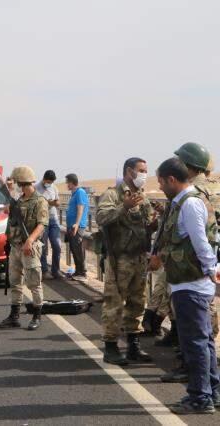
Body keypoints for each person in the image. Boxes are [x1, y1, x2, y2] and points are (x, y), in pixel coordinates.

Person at [152, 157, 219, 415]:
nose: (159, 186)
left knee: (195, 344)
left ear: (172, 179)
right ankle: (213, 391)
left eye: (160, 181)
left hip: (192, 284)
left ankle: (200, 398)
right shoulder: (183, 203)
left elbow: (202, 244)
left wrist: (207, 272)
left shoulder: (189, 205)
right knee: (203, 342)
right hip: (190, 282)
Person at [96, 157, 156, 365]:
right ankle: (110, 347)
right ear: (129, 171)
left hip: (138, 258)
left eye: (146, 171)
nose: (144, 175)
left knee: (138, 302)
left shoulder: (143, 197)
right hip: (118, 260)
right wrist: (124, 206)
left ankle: (134, 345)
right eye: (141, 170)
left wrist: (155, 222)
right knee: (114, 303)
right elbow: (101, 219)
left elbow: (146, 224)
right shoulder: (112, 195)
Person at [175, 143, 220, 339]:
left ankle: (202, 354)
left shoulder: (193, 191)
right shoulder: (215, 187)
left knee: (199, 306)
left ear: (189, 165)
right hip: (212, 251)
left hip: (200, 256)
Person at [0, 166, 48, 331]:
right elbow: (6, 210)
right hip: (16, 246)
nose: (16, 185)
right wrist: (9, 191)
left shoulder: (39, 201)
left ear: (22, 182)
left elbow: (42, 224)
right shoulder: (19, 200)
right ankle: (14, 316)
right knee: (15, 282)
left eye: (17, 182)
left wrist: (30, 241)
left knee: (34, 282)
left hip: (29, 247)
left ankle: (37, 316)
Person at [35, 170, 61, 280]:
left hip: (54, 219)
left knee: (57, 245)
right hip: (43, 220)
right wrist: (47, 202)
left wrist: (55, 202)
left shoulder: (54, 188)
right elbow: (35, 203)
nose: (49, 184)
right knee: (43, 246)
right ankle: (44, 270)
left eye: (51, 182)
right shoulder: (36, 188)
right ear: (44, 179)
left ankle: (56, 270)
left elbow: (58, 202)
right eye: (48, 182)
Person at [65, 173, 89, 282]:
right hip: (71, 226)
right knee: (74, 249)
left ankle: (82, 273)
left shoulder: (80, 192)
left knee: (78, 249)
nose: (66, 184)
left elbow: (80, 208)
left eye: (67, 182)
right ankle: (78, 271)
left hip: (77, 226)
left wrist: (77, 224)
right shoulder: (74, 194)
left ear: (71, 182)